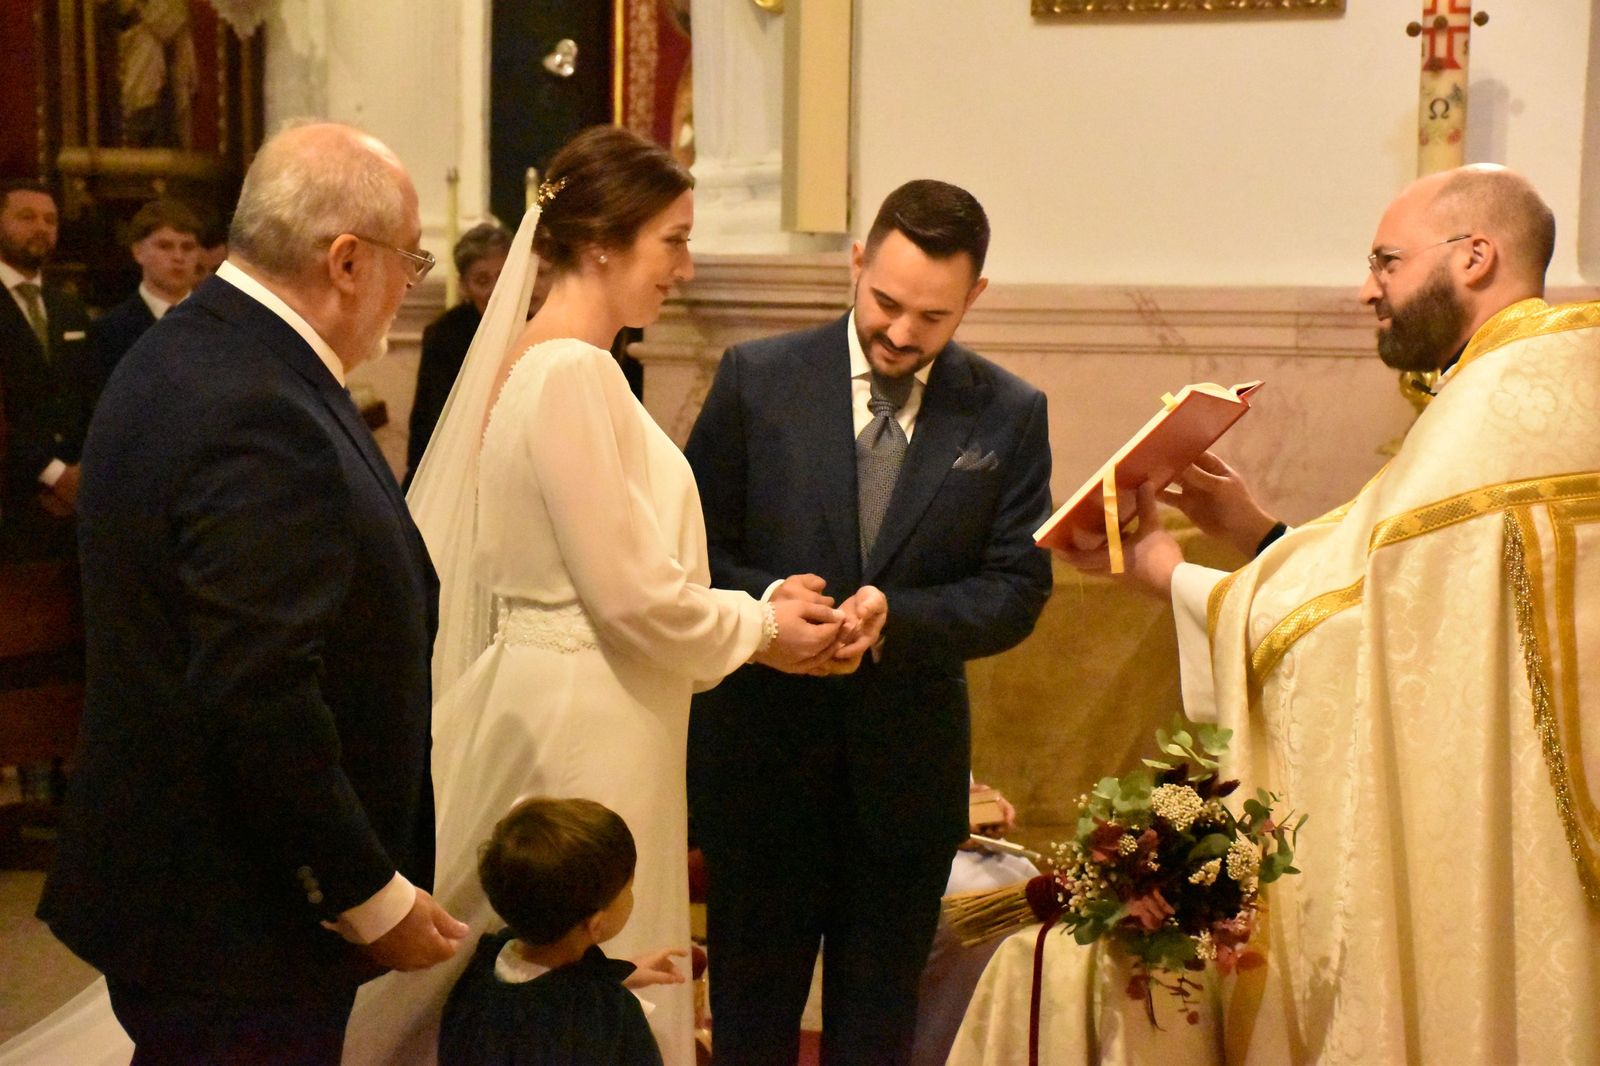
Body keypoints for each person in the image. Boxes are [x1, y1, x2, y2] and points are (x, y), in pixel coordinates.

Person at [343, 124, 856, 1066]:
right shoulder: (572, 371)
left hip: (598, 696)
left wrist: (765, 608)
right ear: (602, 242)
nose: (686, 268)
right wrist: (758, 626)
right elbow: (626, 600)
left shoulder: (564, 365)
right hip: (587, 718)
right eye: (674, 240)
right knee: (566, 983)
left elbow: (623, 573)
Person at [1067, 164, 1600, 1062]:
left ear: (1475, 257)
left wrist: (1167, 573)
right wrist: (1259, 535)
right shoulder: (1548, 384)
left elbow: (1348, 630)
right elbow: (1398, 596)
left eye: (1387, 261)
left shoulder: (1486, 421)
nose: (1368, 289)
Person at [33, 121, 470, 1064]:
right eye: (411, 259)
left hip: (198, 892)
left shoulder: (199, 349)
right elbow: (258, 692)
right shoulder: (256, 408)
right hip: (237, 912)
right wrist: (368, 896)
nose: (413, 283)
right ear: (347, 261)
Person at [683, 179, 1055, 1065]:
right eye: (886, 302)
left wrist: (899, 617)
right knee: (750, 1021)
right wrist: (769, 608)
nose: (900, 332)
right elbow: (690, 551)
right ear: (857, 263)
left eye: (932, 316)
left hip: (904, 779)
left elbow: (1015, 588)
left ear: (975, 298)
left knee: (876, 1032)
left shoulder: (1008, 413)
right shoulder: (755, 380)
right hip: (762, 765)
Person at [439, 796, 683, 1066]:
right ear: (596, 924)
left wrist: (619, 974)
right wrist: (606, 992)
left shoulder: (484, 966)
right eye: (628, 888)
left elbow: (543, 994)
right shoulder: (607, 1014)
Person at [0, 179, 92, 564]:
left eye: (50, 219)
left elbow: (90, 393)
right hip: (11, 498)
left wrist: (83, 471)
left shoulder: (68, 307)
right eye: (27, 217)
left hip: (76, 505)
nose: (41, 227)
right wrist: (54, 474)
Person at [404, 222, 514, 488]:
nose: (495, 290)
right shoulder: (444, 336)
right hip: (457, 473)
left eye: (503, 276)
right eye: (482, 280)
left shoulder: (541, 326)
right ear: (464, 286)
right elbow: (429, 424)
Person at [85, 197, 202, 382]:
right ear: (138, 252)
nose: (178, 257)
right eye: (165, 246)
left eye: (188, 247)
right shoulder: (109, 331)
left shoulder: (220, 324)